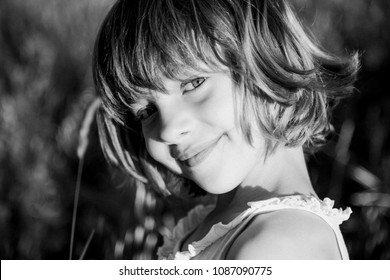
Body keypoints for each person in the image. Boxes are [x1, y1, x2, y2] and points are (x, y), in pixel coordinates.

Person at [92, 0, 359, 259]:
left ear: (267, 53)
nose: (169, 130)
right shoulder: (227, 230)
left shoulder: (279, 247)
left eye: (194, 83)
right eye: (146, 112)